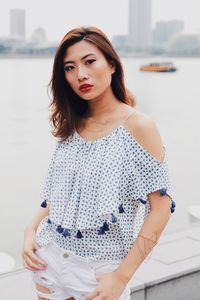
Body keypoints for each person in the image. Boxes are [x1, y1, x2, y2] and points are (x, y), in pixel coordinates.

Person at [22, 26, 176, 300]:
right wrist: (30, 230)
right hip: (50, 259)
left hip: (99, 270)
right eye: (69, 68)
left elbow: (160, 210)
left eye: (89, 61)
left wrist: (121, 277)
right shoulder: (71, 125)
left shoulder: (138, 126)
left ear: (112, 65)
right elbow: (59, 197)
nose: (80, 74)